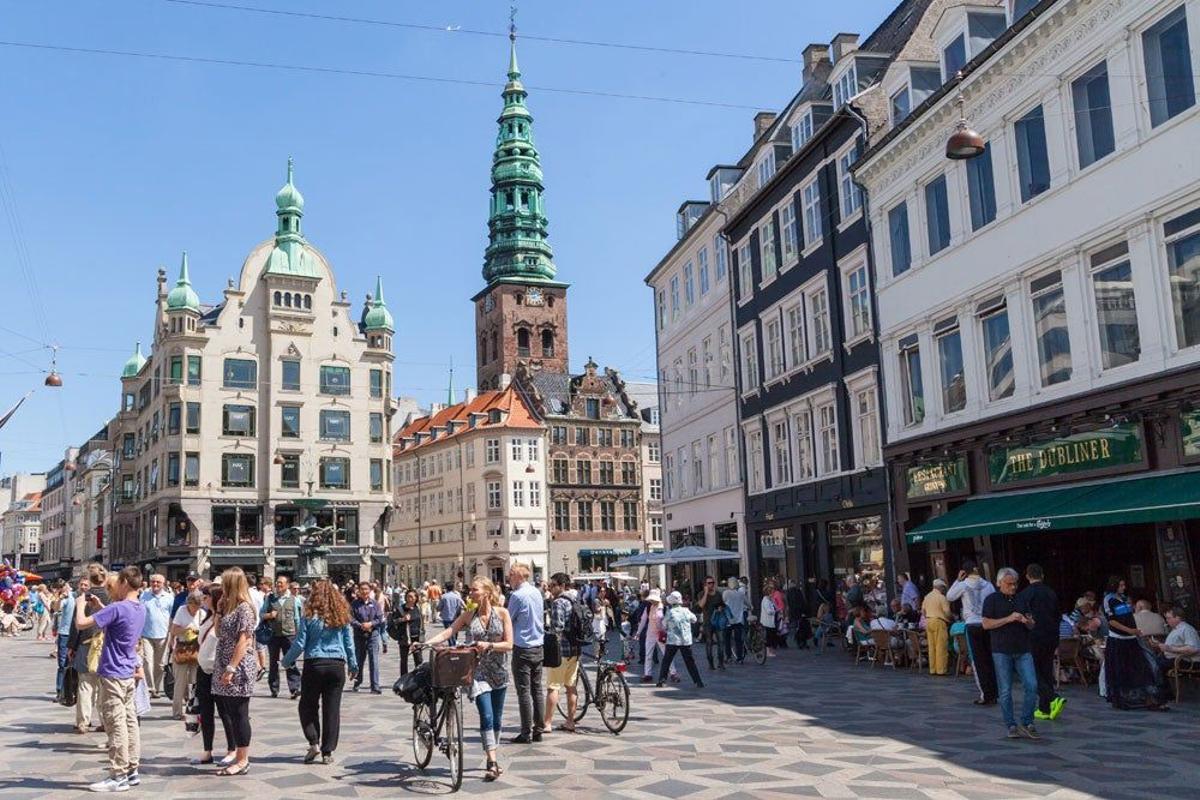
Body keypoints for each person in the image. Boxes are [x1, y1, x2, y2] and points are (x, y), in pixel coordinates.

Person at [420, 576, 513, 781]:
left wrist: (490, 645)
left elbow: (509, 644)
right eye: (470, 590)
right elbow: (449, 631)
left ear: (487, 593)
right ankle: (492, 761)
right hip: (476, 671)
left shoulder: (502, 613)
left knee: (497, 718)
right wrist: (426, 643)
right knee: (486, 715)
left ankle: (492, 751)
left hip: (499, 671)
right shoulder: (469, 615)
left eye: (475, 590)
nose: (470, 593)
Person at [75, 566, 148, 793]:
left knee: (115, 723)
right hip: (127, 672)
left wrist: (80, 605)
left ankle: (118, 774)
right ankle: (132, 770)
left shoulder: (118, 608)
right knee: (129, 722)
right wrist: (101, 608)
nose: (113, 584)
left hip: (113, 672)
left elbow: (81, 623)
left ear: (125, 581)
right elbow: (117, 623)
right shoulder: (139, 608)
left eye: (117, 582)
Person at [282, 580, 357, 765]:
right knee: (332, 709)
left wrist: (286, 661)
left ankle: (313, 741)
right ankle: (327, 751)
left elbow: (300, 643)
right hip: (336, 665)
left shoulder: (309, 616)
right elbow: (349, 643)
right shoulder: (342, 615)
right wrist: (353, 665)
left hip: (314, 663)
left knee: (307, 705)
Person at [981, 568, 1040, 740]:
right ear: (999, 583)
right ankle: (1011, 724)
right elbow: (985, 624)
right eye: (1009, 584)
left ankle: (1027, 721)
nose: (1013, 587)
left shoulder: (1022, 599)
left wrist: (1027, 621)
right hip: (1001, 650)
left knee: (1032, 685)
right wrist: (1007, 618)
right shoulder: (991, 599)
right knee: (1005, 690)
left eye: (1015, 583)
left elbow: (1032, 624)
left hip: (1023, 648)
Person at [212, 567, 258, 776]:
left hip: (237, 666)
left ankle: (242, 759)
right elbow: (217, 632)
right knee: (229, 712)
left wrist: (231, 667)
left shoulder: (244, 608)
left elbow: (244, 640)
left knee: (239, 713)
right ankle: (237, 755)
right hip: (223, 662)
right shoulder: (229, 607)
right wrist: (218, 611)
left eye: (224, 583)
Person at [1100, 574, 1168, 710]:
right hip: (1118, 639)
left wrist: (1133, 630)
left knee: (1142, 668)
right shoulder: (1109, 599)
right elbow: (1112, 621)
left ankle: (1149, 699)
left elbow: (1129, 615)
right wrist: (1130, 630)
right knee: (1120, 670)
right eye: (1121, 585)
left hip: (1131, 639)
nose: (1124, 588)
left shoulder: (1124, 599)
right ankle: (1121, 699)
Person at [192, 585, 237, 768]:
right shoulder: (207, 618)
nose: (203, 600)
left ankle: (232, 749)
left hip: (218, 671)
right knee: (206, 712)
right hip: (203, 670)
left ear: (216, 597)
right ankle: (207, 750)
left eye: (206, 596)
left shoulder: (223, 619)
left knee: (225, 712)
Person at [1017, 564, 1065, 721]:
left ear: (1027, 576)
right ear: (1042, 575)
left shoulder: (1025, 594)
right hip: (1051, 636)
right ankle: (1045, 708)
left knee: (1032, 671)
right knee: (1046, 669)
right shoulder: (1051, 593)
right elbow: (1058, 615)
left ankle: (1052, 698)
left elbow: (1022, 617)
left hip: (1033, 636)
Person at [504, 562, 544, 744]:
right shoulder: (537, 592)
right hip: (538, 645)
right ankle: (539, 729)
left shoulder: (517, 596)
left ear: (518, 576)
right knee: (537, 689)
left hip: (522, 647)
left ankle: (526, 731)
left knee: (524, 692)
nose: (509, 579)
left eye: (511, 576)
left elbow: (508, 620)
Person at [947, 560, 997, 706]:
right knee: (988, 658)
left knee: (977, 660)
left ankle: (985, 693)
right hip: (986, 623)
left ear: (964, 572)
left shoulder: (963, 585)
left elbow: (950, 596)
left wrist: (957, 580)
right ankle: (994, 691)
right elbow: (994, 600)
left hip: (972, 624)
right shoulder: (988, 585)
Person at [68, 564, 109, 734]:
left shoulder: (83, 598)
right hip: (105, 645)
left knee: (85, 684)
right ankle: (104, 721)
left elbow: (75, 625)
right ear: (104, 579)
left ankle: (83, 721)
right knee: (103, 686)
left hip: (86, 643)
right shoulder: (111, 597)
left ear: (89, 580)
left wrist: (71, 646)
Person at [544, 573, 581, 732]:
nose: (550, 588)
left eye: (553, 585)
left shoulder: (559, 602)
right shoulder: (575, 599)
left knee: (553, 687)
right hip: (576, 649)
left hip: (562, 650)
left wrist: (548, 634)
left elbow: (557, 628)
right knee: (571, 687)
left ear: (562, 586)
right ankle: (570, 721)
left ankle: (547, 723)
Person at [262, 575, 303, 700]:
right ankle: (274, 688)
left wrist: (299, 634)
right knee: (273, 662)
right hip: (273, 635)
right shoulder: (270, 598)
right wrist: (269, 615)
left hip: (289, 635)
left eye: (281, 583)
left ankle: (294, 688)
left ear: (287, 585)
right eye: (277, 583)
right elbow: (261, 614)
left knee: (290, 661)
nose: (278, 585)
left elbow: (297, 618)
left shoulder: (294, 599)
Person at [167, 590, 203, 720]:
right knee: (180, 682)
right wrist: (186, 629)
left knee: (194, 682)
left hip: (195, 650)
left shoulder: (202, 613)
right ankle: (177, 712)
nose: (195, 609)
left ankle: (193, 709)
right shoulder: (181, 611)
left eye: (197, 606)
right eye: (193, 605)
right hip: (182, 648)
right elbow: (174, 630)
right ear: (189, 603)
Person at [139, 573, 174, 699]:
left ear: (163, 584)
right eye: (153, 582)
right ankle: (150, 688)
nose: (155, 584)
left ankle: (156, 687)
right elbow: (140, 613)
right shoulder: (144, 596)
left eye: (158, 582)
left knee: (159, 664)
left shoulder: (169, 598)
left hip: (163, 635)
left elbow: (172, 617)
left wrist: (171, 634)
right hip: (146, 634)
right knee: (147, 661)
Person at [657, 592, 703, 688]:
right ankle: (698, 681)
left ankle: (662, 680)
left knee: (667, 660)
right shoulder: (686, 611)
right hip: (685, 640)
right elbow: (694, 619)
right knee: (690, 661)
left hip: (673, 640)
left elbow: (664, 625)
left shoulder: (670, 612)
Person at [349, 582, 384, 694]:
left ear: (370, 591)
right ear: (359, 591)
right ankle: (357, 682)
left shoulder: (375, 604)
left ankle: (375, 686)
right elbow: (350, 618)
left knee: (374, 660)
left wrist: (371, 624)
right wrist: (361, 625)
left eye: (366, 589)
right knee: (359, 659)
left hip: (372, 635)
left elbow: (379, 618)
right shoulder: (354, 604)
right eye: (362, 589)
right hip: (359, 635)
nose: (364, 591)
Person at [637, 589, 675, 682]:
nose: (652, 601)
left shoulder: (664, 608)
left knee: (666, 654)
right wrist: (638, 632)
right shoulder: (648, 607)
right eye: (651, 600)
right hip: (650, 633)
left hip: (661, 634)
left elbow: (669, 621)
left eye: (654, 600)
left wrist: (666, 630)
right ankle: (647, 674)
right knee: (648, 654)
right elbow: (643, 620)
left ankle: (673, 673)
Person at [921, 579, 953, 676]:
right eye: (944, 588)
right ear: (941, 587)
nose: (944, 590)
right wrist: (951, 617)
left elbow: (923, 611)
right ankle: (941, 669)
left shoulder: (927, 597)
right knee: (940, 646)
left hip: (928, 621)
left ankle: (932, 669)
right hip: (939, 621)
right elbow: (947, 612)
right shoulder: (941, 597)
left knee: (931, 646)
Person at [391, 589, 425, 676]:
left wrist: (422, 635)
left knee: (419, 659)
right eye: (408, 596)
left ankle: (419, 678)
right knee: (404, 660)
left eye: (412, 597)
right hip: (404, 637)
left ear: (416, 598)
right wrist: (403, 619)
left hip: (416, 638)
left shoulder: (418, 608)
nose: (410, 598)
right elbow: (393, 621)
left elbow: (421, 623)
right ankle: (403, 678)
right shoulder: (400, 609)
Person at [56, 579, 79, 702]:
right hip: (64, 633)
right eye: (61, 587)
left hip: (76, 633)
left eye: (64, 585)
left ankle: (73, 690)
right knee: (62, 663)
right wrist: (60, 598)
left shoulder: (76, 596)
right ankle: (60, 690)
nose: (63, 588)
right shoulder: (64, 598)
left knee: (75, 663)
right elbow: (56, 608)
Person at [696, 576, 726, 670]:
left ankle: (721, 662)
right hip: (708, 622)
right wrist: (705, 592)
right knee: (709, 643)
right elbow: (701, 605)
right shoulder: (701, 594)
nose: (711, 584)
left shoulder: (718, 594)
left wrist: (721, 608)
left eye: (713, 582)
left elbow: (722, 604)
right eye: (709, 583)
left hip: (718, 621)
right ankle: (711, 663)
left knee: (721, 642)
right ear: (705, 584)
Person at [721, 576, 747, 663]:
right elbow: (748, 603)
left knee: (727, 639)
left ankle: (728, 657)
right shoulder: (740, 593)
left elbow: (722, 603)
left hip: (728, 620)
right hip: (738, 620)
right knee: (738, 640)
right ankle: (739, 658)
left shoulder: (726, 593)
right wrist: (751, 607)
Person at [437, 581, 464, 645]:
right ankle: (453, 644)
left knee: (448, 632)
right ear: (453, 588)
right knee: (453, 632)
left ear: (446, 588)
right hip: (455, 617)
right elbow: (461, 605)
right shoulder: (456, 596)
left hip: (446, 617)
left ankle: (452, 645)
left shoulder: (443, 597)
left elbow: (439, 608)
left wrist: (440, 609)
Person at [785, 579, 810, 648]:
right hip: (799, 612)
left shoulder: (788, 592)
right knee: (802, 627)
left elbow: (788, 604)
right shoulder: (798, 591)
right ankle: (803, 641)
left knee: (796, 628)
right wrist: (804, 612)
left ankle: (799, 641)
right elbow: (802, 602)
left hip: (793, 613)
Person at [759, 579, 780, 658]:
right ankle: (768, 652)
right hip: (767, 621)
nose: (773, 594)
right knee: (769, 636)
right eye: (771, 592)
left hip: (772, 621)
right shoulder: (765, 600)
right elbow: (769, 611)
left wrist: (776, 608)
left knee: (772, 635)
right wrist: (775, 611)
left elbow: (776, 607)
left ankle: (770, 650)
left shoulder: (771, 600)